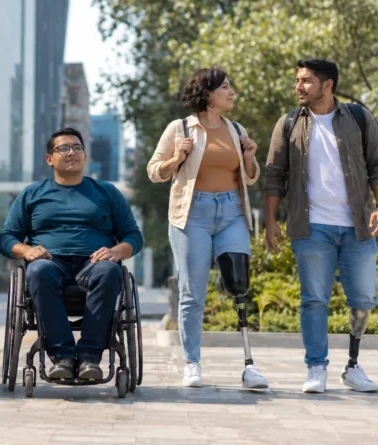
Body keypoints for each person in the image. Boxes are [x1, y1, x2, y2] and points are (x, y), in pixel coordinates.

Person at [265, 58, 378, 393]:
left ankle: (352, 365)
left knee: (363, 298)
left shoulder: (359, 118)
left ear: (327, 84)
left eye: (306, 80)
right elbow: (274, 175)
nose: (299, 87)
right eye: (297, 80)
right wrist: (272, 221)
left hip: (357, 226)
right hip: (311, 227)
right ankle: (316, 367)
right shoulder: (289, 123)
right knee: (314, 299)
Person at [147, 67, 268, 389]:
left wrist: (251, 157)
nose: (231, 93)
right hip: (193, 214)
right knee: (193, 292)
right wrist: (178, 158)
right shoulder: (181, 128)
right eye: (225, 87)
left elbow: (251, 177)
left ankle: (249, 366)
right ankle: (193, 362)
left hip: (231, 212)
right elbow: (154, 172)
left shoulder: (236, 129)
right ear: (207, 93)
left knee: (239, 281)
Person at [0, 127, 143, 380]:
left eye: (77, 148)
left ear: (85, 156)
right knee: (38, 271)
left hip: (94, 263)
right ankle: (63, 357)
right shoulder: (32, 194)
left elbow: (134, 236)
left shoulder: (107, 193)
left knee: (110, 271)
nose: (72, 153)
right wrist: (27, 250)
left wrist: (116, 251)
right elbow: (6, 238)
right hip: (50, 263)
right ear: (49, 159)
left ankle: (89, 357)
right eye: (63, 148)